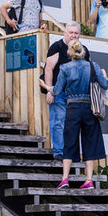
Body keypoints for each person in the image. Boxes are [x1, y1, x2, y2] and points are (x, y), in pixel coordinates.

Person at [51, 39, 108, 190]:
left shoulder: (64, 68)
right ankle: (89, 180)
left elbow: (56, 90)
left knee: (69, 142)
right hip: (90, 109)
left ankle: (65, 179)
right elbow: (105, 85)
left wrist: (46, 87)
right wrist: (104, 74)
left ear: (69, 52)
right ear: (83, 52)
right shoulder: (92, 66)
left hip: (73, 109)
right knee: (89, 142)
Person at [43, 21, 90, 159]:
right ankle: (59, 152)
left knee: (74, 125)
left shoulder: (83, 50)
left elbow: (87, 71)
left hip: (77, 95)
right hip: (59, 92)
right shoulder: (57, 47)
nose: (74, 35)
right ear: (65, 33)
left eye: (76, 33)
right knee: (58, 122)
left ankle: (71, 154)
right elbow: (48, 69)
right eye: (71, 33)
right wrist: (50, 91)